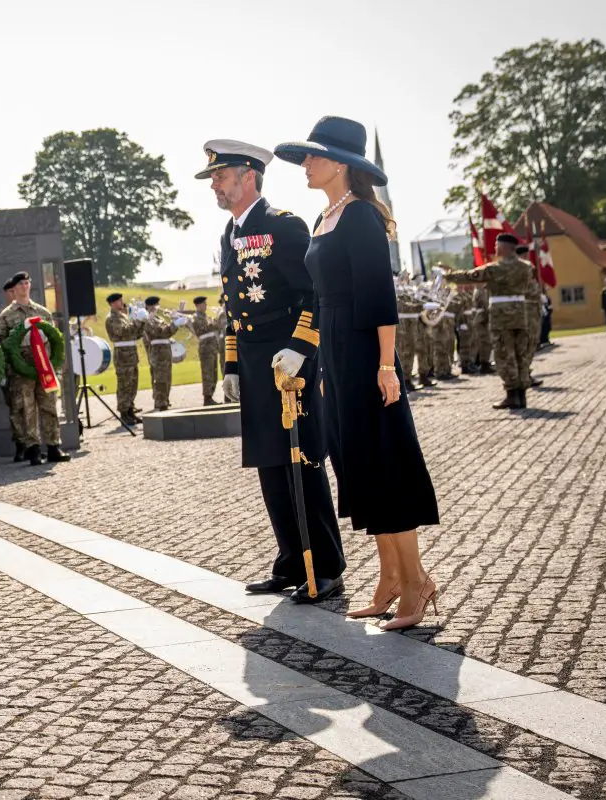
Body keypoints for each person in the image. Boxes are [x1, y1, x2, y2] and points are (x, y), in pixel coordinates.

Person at [276, 117, 440, 628]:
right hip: (337, 355)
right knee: (359, 467)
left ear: (340, 163)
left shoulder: (362, 217)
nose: (305, 164)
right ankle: (389, 576)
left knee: (386, 466)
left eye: (313, 156)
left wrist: (386, 365)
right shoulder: (326, 215)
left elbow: (379, 296)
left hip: (367, 353)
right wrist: (323, 363)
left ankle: (416, 583)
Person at [198, 138, 346, 603]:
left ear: (249, 176)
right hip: (255, 359)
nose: (215, 186)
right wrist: (232, 365)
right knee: (269, 461)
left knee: (302, 463)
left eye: (220, 177)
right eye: (214, 179)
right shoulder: (230, 232)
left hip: (289, 364)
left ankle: (323, 566)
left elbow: (312, 294)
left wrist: (301, 348)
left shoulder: (284, 226)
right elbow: (233, 308)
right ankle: (289, 560)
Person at [447, 234, 535, 409]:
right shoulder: (526, 267)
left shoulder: (497, 268)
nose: (495, 248)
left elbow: (470, 276)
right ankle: (521, 395)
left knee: (504, 354)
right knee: (520, 355)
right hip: (520, 314)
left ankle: (512, 394)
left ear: (503, 247)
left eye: (496, 245)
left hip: (501, 316)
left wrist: (448, 276)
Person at [0, 271, 71, 466]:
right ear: (14, 288)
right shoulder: (6, 315)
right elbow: (0, 342)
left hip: (43, 367)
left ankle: (54, 446)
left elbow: (54, 338)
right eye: (20, 284)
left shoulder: (42, 312)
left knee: (49, 406)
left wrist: (56, 365)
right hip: (22, 370)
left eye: (27, 283)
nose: (24, 287)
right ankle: (33, 449)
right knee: (27, 410)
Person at [0, 282, 25, 461]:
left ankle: (33, 444)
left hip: (30, 369)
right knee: (15, 408)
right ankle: (20, 444)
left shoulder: (32, 311)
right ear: (6, 293)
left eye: (17, 289)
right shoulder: (0, 316)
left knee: (31, 407)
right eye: (11, 291)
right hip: (11, 369)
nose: (15, 293)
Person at [103, 292, 145, 425]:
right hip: (122, 355)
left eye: (121, 301)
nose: (122, 303)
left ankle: (130, 410)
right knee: (124, 385)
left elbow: (135, 334)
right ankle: (123, 413)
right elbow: (124, 332)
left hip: (131, 354)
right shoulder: (112, 318)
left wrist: (142, 322)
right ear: (113, 303)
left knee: (132, 384)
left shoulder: (123, 316)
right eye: (119, 301)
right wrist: (137, 321)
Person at [141, 297, 179, 412]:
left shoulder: (157, 318)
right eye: (155, 305)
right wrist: (175, 324)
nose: (157, 307)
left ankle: (164, 399)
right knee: (160, 377)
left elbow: (166, 333)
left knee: (167, 377)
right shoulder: (147, 319)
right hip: (157, 352)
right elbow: (161, 332)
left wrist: (174, 323)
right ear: (149, 306)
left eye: (157, 305)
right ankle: (160, 401)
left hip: (164, 351)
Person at [517, 244, 543, 388]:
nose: (528, 259)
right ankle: (523, 375)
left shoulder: (527, 273)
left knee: (532, 344)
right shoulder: (518, 274)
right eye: (525, 256)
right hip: (526, 313)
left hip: (534, 313)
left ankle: (526, 373)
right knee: (525, 345)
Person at [189, 296, 221, 405]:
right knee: (207, 372)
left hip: (211, 347)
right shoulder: (196, 317)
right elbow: (202, 329)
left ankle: (210, 395)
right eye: (204, 304)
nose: (206, 305)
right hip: (206, 347)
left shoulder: (205, 316)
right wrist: (216, 319)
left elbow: (216, 327)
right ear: (198, 305)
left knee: (213, 372)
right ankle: (207, 397)